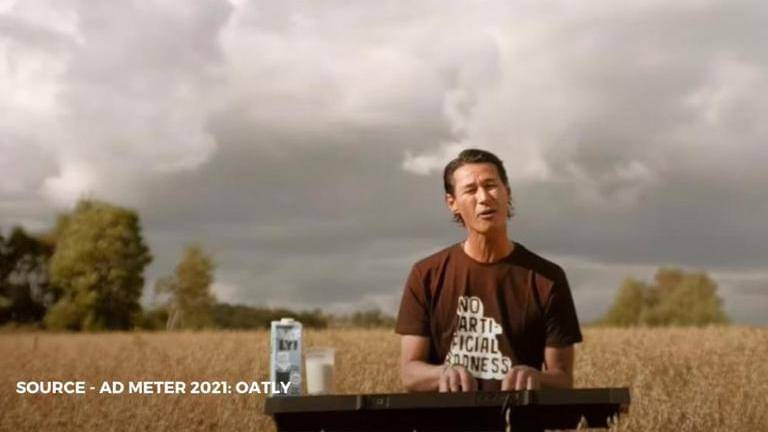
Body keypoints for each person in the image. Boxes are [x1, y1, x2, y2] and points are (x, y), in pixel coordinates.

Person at [395, 148, 583, 392]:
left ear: (507, 193)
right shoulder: (426, 275)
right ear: (452, 203)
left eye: (491, 185)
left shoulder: (547, 278)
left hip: (518, 415)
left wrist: (535, 377)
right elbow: (410, 373)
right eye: (470, 190)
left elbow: (563, 379)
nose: (484, 198)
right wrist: (442, 374)